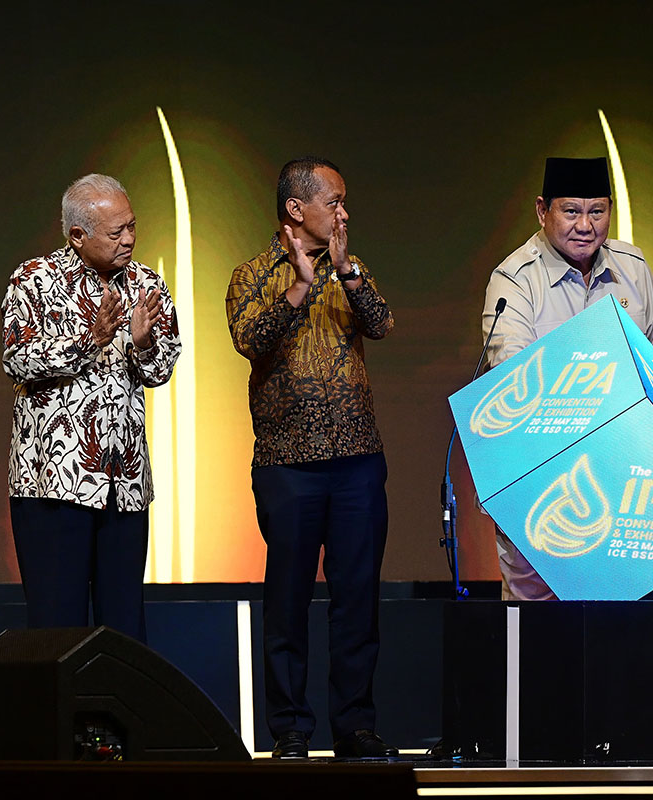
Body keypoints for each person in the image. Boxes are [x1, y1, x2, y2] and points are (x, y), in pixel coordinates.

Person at [226, 158, 396, 760]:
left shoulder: (352, 267)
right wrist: (298, 286)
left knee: (357, 601)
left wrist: (347, 273)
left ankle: (354, 726)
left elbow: (382, 324)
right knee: (288, 601)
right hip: (287, 464)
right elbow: (248, 340)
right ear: (296, 210)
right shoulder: (252, 275)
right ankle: (290, 728)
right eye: (335, 201)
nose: (344, 213)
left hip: (357, 461)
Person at [481, 156, 653, 600]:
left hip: (621, 478)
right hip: (538, 483)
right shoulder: (514, 280)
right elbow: (515, 381)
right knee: (537, 622)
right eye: (570, 211)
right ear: (542, 210)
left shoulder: (633, 268)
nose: (585, 225)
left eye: (597, 211)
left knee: (618, 614)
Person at [2, 173, 180, 643]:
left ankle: (115, 698)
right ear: (78, 235)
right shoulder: (33, 280)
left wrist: (143, 345)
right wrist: (90, 339)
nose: (129, 239)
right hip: (53, 484)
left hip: (125, 484)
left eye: (132, 226)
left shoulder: (147, 284)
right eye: (116, 232)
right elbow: (16, 360)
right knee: (56, 628)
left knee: (123, 632)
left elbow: (161, 370)